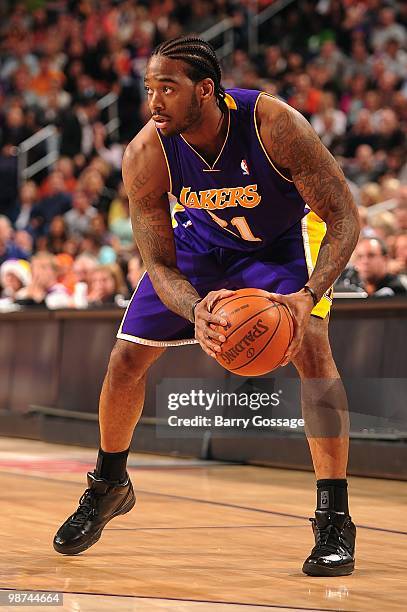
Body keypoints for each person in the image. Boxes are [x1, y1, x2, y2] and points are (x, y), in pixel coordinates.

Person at [54, 37, 360, 577]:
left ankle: (334, 516)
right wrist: (197, 311)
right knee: (127, 357)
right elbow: (159, 265)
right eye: (149, 89)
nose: (153, 102)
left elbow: (343, 218)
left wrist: (307, 297)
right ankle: (108, 483)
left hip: (279, 242)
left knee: (311, 348)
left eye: (166, 88)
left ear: (205, 90)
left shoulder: (273, 124)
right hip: (197, 248)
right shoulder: (146, 153)